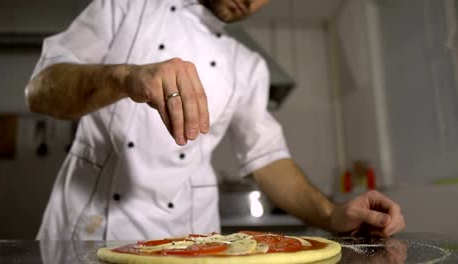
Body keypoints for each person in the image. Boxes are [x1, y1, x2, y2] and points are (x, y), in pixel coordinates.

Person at [26, 0, 405, 240]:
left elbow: (266, 156)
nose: (252, 1)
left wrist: (332, 214)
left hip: (186, 237)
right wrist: (125, 77)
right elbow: (40, 91)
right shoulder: (125, 7)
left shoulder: (248, 64)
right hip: (89, 227)